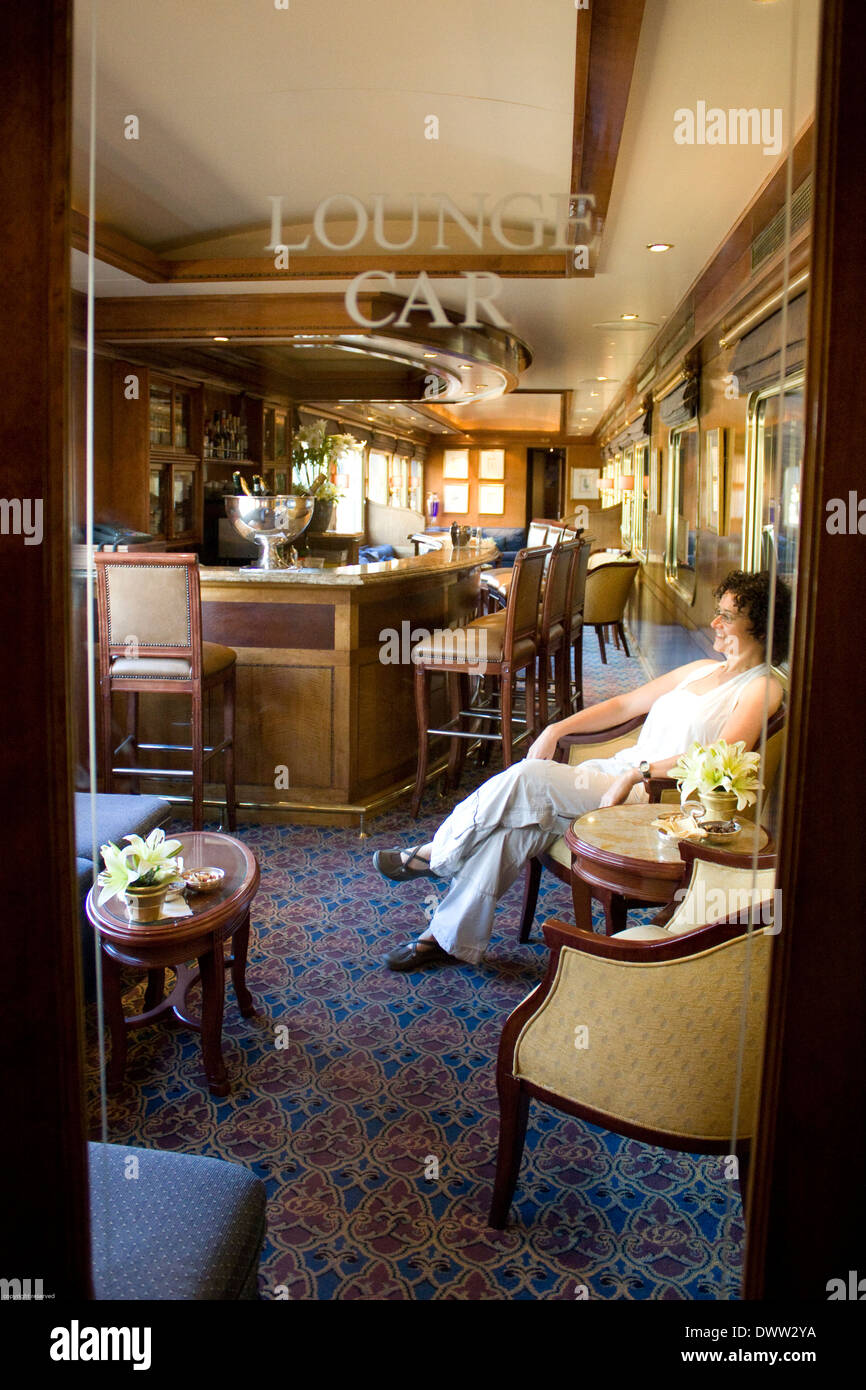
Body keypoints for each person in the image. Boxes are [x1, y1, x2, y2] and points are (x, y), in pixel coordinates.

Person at [375, 569, 789, 971]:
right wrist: (558, 727)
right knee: (515, 828)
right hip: (614, 774)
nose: (715, 621)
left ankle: (435, 855)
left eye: (728, 616)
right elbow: (625, 705)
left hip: (653, 797)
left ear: (761, 625)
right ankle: (445, 939)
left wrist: (639, 772)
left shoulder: (762, 687)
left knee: (528, 776)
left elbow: (718, 759)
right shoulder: (701, 669)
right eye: (718, 611)